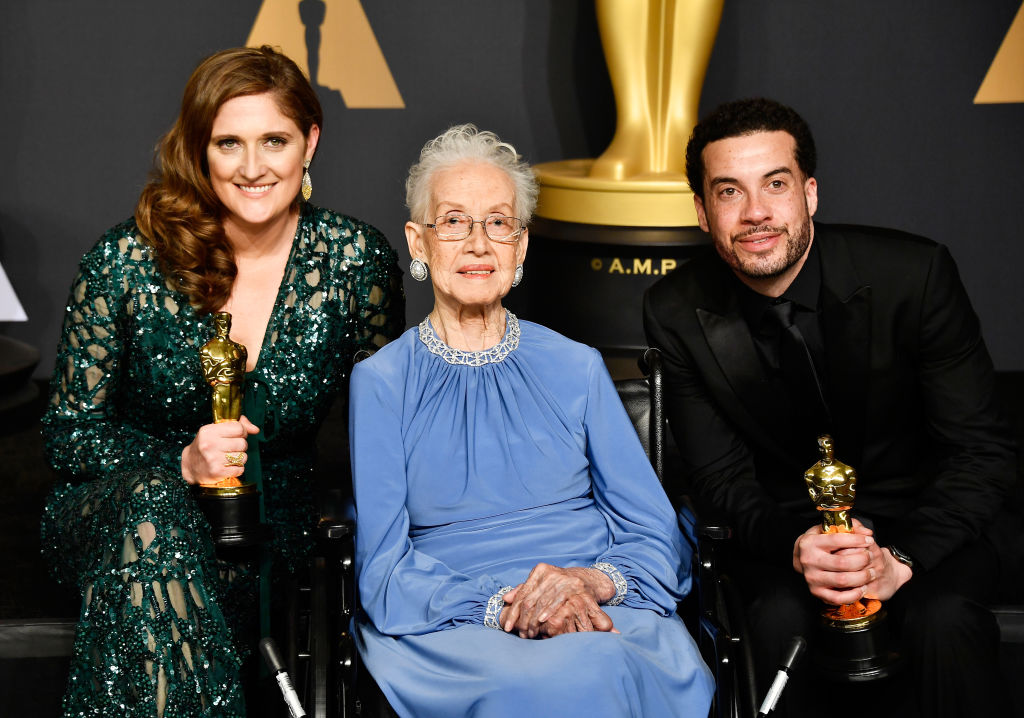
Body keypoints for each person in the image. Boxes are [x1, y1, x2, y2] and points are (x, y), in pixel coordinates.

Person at [40, 46, 404, 717]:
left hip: (274, 526)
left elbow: (387, 430)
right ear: (199, 150)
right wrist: (179, 462)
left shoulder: (356, 262)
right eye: (228, 142)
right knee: (154, 514)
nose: (253, 166)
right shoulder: (124, 262)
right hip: (114, 516)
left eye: (275, 140)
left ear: (310, 143)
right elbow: (69, 438)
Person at [643, 97, 1019, 717]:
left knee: (943, 619)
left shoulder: (914, 275)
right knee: (776, 621)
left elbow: (981, 452)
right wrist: (797, 547)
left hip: (927, 523)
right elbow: (720, 480)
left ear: (810, 194)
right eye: (729, 192)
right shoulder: (675, 310)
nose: (756, 212)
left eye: (776, 184)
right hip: (786, 537)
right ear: (703, 213)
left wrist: (900, 559)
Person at [349, 124, 714, 717]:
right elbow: (385, 571)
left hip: (597, 604)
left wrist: (587, 584)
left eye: (498, 223)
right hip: (456, 624)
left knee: (602, 660)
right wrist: (510, 604)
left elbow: (656, 537)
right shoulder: (382, 384)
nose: (477, 244)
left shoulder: (577, 366)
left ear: (520, 247)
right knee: (566, 679)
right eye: (453, 222)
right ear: (419, 243)